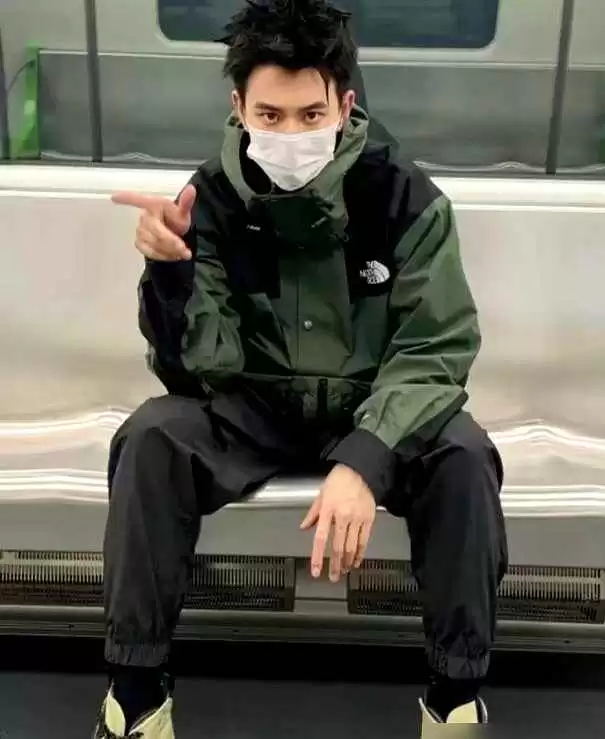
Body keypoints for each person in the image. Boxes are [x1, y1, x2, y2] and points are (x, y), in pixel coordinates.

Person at [95, 1, 508, 736]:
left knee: (464, 456)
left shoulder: (401, 197)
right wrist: (172, 273)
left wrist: (365, 456)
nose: (290, 134)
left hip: (369, 408)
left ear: (343, 107)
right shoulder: (208, 202)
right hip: (254, 410)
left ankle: (454, 697)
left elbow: (434, 347)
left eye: (310, 114)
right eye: (270, 115)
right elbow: (196, 371)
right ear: (239, 108)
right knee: (151, 437)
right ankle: (135, 696)